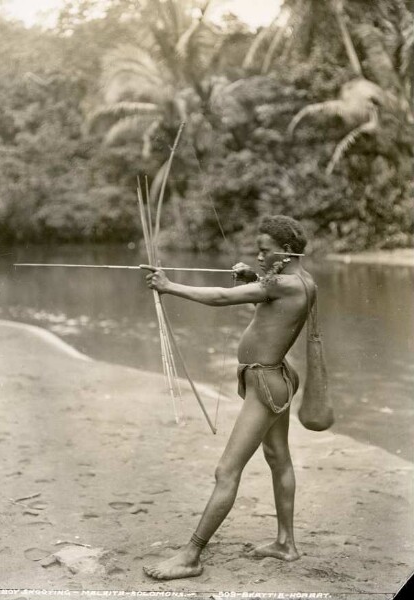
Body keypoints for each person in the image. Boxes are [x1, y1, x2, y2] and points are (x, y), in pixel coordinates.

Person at [141, 215, 315, 581]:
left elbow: (221, 297)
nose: (259, 256)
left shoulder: (285, 283)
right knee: (277, 457)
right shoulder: (301, 281)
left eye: (265, 251)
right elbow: (273, 314)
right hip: (273, 378)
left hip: (267, 383)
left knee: (226, 471)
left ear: (285, 251)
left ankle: (191, 555)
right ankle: (286, 544)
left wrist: (169, 286)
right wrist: (255, 279)